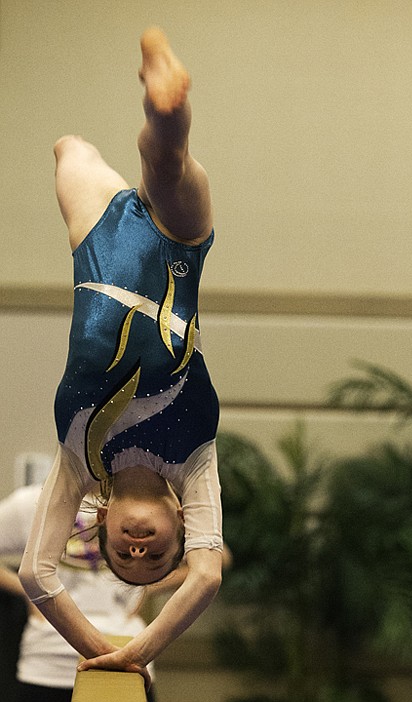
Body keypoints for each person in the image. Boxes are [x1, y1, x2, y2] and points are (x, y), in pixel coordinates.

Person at [19, 27, 223, 687]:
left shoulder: (80, 465)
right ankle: (162, 95)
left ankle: (109, 139)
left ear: (99, 526)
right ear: (176, 523)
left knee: (69, 148)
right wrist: (137, 651)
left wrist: (98, 644)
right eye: (155, 553)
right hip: (176, 243)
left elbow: (36, 575)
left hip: (98, 246)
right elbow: (208, 573)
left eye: (126, 556)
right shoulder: (192, 462)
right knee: (165, 153)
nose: (139, 553)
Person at [0, 481, 156, 702]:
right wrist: (28, 591)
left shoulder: (146, 506)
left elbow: (210, 564)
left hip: (127, 654)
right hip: (48, 661)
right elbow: (30, 575)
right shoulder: (33, 501)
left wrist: (147, 586)